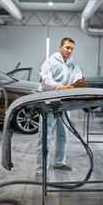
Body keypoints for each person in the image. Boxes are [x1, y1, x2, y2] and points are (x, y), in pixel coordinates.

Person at [35, 37, 83, 180]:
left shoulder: (73, 65)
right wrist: (60, 86)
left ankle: (59, 162)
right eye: (67, 47)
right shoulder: (49, 62)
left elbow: (78, 78)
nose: (69, 51)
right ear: (60, 46)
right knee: (45, 136)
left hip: (65, 104)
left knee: (63, 135)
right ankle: (40, 169)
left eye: (72, 48)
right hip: (49, 103)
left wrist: (79, 82)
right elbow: (45, 81)